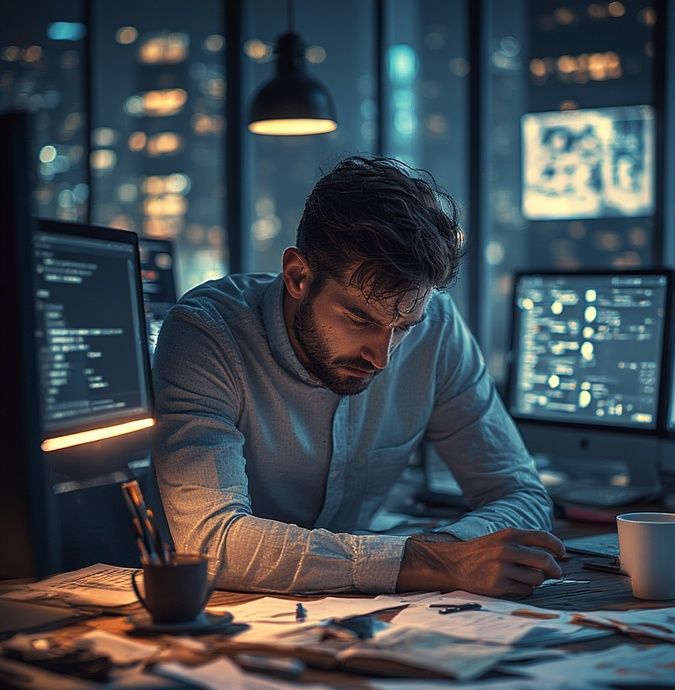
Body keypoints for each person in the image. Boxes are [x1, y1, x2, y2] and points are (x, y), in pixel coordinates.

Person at [152, 156, 565, 597]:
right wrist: (432, 562)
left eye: (403, 328)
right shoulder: (207, 334)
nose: (381, 358)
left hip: (355, 614)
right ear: (298, 276)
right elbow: (212, 542)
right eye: (359, 319)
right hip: (194, 610)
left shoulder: (437, 327)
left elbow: (521, 495)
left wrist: (450, 553)